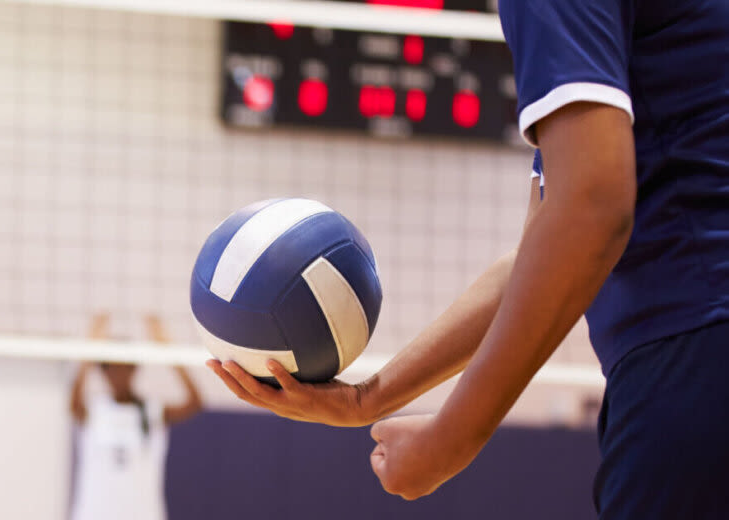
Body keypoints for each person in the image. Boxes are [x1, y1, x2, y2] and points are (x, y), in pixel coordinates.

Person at [208, 0, 729, 516]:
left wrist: (449, 441)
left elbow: (591, 210)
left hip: (696, 350)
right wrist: (367, 399)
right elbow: (542, 251)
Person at [70, 314, 202, 520]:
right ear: (103, 372)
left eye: (122, 366)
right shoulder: (93, 411)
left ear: (134, 368)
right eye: (110, 367)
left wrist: (168, 351)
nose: (117, 374)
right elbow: (72, 402)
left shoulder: (153, 411)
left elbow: (195, 403)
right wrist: (90, 348)